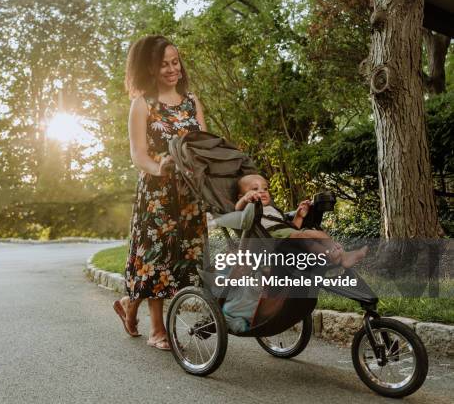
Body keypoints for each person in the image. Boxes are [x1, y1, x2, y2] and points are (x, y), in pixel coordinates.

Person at [112, 35, 208, 350]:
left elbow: (204, 145)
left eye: (175, 62)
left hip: (189, 192)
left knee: (186, 257)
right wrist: (160, 167)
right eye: (164, 64)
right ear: (150, 69)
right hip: (156, 193)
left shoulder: (192, 101)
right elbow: (138, 154)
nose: (171, 69)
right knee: (157, 259)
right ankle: (157, 330)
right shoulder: (142, 104)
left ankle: (130, 303)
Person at [235, 174, 368, 268]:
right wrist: (245, 200)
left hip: (288, 236)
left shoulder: (272, 209)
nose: (262, 192)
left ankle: (340, 256)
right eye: (255, 189)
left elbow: (291, 228)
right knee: (305, 235)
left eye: (265, 189)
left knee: (316, 235)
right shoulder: (247, 208)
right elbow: (237, 209)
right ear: (242, 196)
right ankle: (336, 256)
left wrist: (299, 216)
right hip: (270, 240)